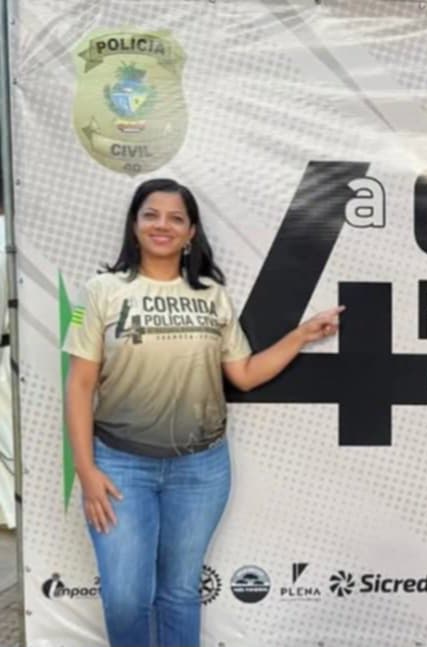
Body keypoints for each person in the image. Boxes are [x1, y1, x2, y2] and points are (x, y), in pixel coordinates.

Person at [63, 178, 343, 647]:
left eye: (176, 218)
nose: (163, 225)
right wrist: (86, 470)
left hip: (200, 470)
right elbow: (80, 385)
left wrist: (302, 335)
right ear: (134, 225)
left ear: (191, 232)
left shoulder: (212, 296)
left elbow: (245, 374)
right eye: (151, 215)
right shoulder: (100, 291)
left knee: (179, 593)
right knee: (126, 597)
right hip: (120, 467)